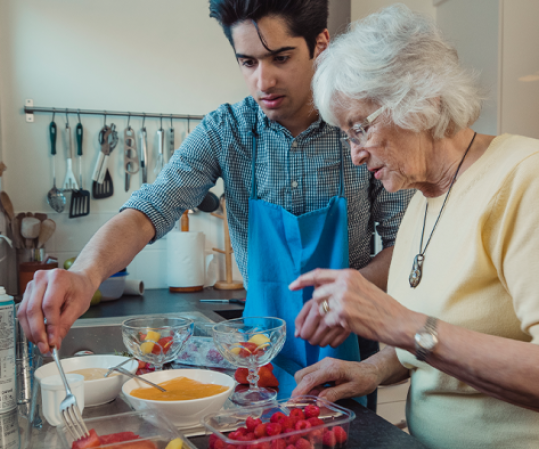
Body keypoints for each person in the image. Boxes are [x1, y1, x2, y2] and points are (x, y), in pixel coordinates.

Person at [17, 0, 412, 409]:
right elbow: (150, 210)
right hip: (259, 354)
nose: (264, 81)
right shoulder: (227, 131)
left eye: (280, 58)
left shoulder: (363, 127)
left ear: (320, 44)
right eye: (247, 62)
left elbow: (405, 243)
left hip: (349, 351)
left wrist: (349, 292)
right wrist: (85, 274)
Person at [290, 5, 539, 448]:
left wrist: (399, 323)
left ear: (421, 102)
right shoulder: (422, 199)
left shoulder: (525, 180)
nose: (356, 154)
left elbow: (421, 330)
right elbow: (437, 341)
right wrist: (374, 368)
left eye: (360, 128)